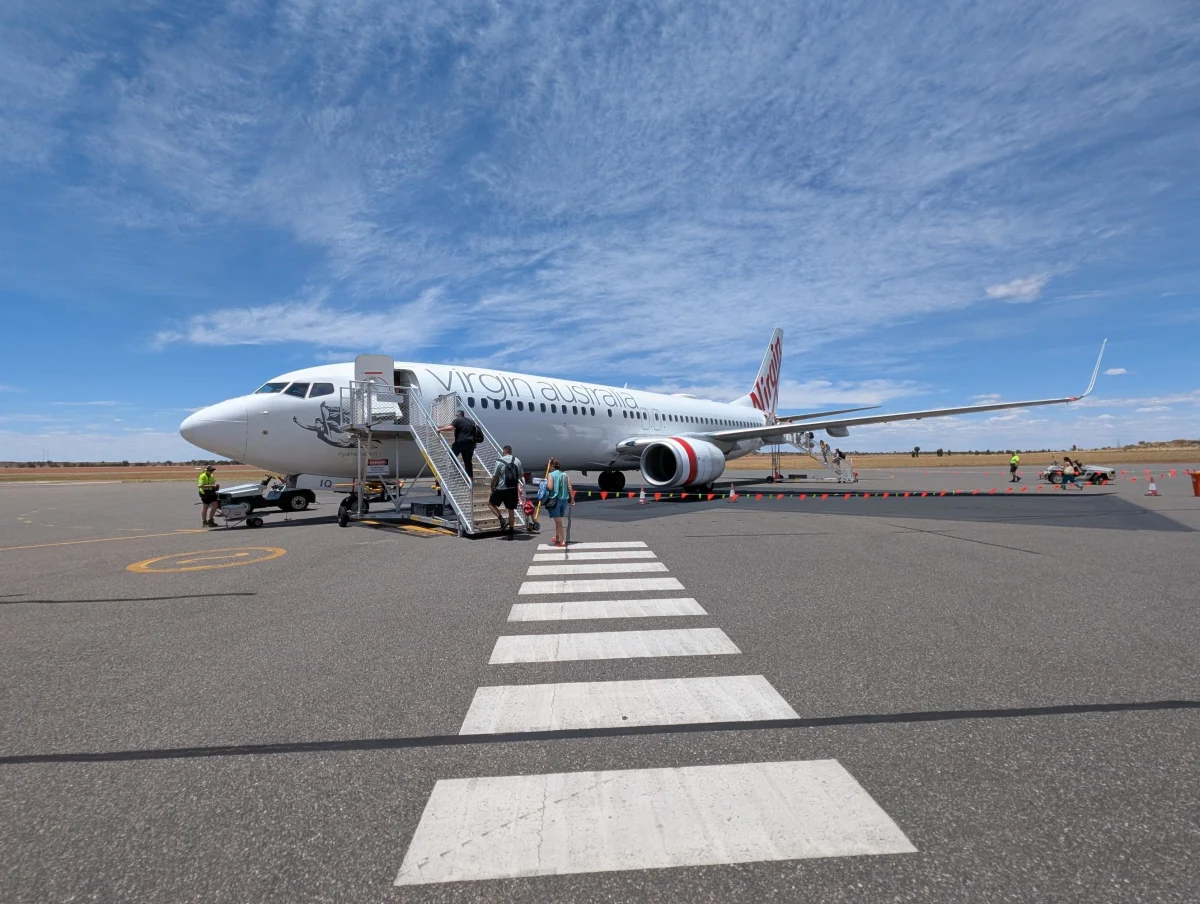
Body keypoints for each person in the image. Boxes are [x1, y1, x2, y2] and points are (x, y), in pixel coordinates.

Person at [489, 444, 523, 540]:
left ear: (503, 452)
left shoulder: (499, 461)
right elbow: (521, 474)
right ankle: (511, 532)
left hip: (502, 488)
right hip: (513, 489)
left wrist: (492, 487)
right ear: (511, 452)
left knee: (490, 503)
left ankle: (501, 520)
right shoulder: (517, 460)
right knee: (511, 510)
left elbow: (495, 477)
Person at [438, 408, 480, 481]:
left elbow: (451, 427)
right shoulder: (471, 421)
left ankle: (458, 472)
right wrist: (475, 443)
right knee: (468, 461)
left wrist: (440, 429)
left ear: (457, 415)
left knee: (452, 455)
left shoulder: (457, 420)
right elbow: (475, 433)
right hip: (471, 444)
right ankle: (470, 479)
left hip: (460, 442)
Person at [545, 458, 575, 547]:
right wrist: (572, 499)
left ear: (552, 466)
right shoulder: (565, 475)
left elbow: (550, 487)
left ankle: (562, 541)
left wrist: (544, 485)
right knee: (558, 520)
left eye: (549, 466)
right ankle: (557, 537)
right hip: (565, 500)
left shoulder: (551, 475)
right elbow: (570, 487)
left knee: (558, 521)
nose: (549, 468)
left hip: (555, 499)